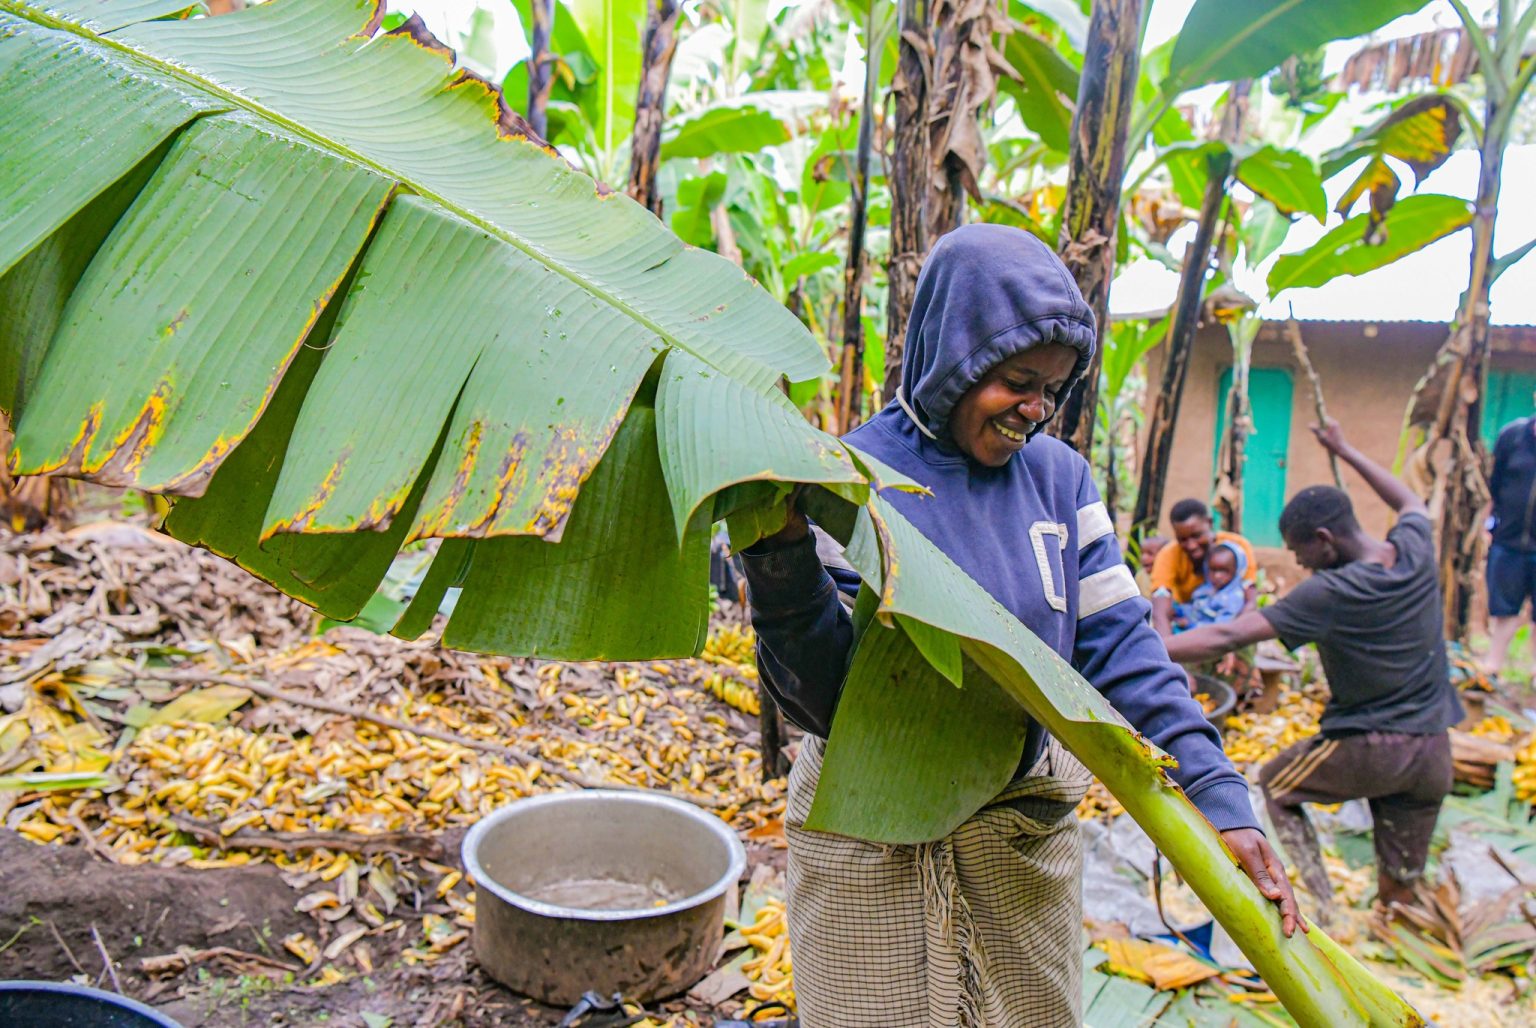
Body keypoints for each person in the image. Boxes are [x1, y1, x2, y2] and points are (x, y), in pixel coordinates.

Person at [739, 225, 1299, 1028]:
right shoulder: (849, 479)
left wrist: (1218, 793)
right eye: (1015, 381)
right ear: (953, 360)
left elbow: (1123, 652)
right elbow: (827, 699)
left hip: (1020, 835)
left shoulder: (1061, 483)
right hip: (870, 845)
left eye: (1054, 389)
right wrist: (780, 558)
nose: (1035, 411)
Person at [1165, 419, 1462, 921]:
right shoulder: (1412, 553)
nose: (1300, 562)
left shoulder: (1331, 591)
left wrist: (1141, 649)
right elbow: (1409, 501)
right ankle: (1393, 924)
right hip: (1434, 751)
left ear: (1324, 539)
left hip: (1372, 745)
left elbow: (1230, 635)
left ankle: (1323, 910)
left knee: (1277, 784)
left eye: (1301, 549)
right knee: (1399, 892)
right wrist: (1345, 449)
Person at [1149, 498, 1258, 638]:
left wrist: (1228, 641)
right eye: (1182, 539)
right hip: (1190, 620)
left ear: (1210, 523)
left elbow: (1250, 603)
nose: (1191, 545)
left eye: (1197, 535)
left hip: (1231, 621)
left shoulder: (1237, 547)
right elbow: (1160, 611)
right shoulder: (1168, 555)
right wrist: (1167, 650)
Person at [1484, 412, 1536, 675]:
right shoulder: (1513, 437)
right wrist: (1484, 528)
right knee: (1504, 608)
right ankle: (1493, 667)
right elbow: (1492, 488)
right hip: (1508, 541)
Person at [1174, 540, 1247, 631]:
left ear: (1236, 570)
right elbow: (1196, 606)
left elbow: (1220, 629)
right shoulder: (1208, 588)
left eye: (1223, 571)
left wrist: (1190, 625)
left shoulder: (1232, 599)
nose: (1217, 576)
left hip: (1203, 634)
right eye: (1213, 570)